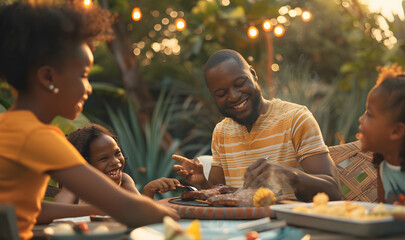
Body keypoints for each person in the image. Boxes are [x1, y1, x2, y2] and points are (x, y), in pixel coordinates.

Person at [0, 2, 178, 240]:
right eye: (83, 75)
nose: (88, 88)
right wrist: (176, 215)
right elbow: (130, 208)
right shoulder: (36, 136)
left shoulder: (11, 126)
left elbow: (31, 208)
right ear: (48, 77)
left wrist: (95, 209)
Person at [173, 49, 341, 202]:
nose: (233, 96)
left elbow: (332, 191)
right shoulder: (221, 132)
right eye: (221, 93)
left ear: (253, 74)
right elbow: (219, 193)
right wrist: (202, 181)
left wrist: (285, 174)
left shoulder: (296, 119)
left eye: (239, 84)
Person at [358, 64, 405, 207]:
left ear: (396, 131)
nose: (361, 119)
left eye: (369, 114)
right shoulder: (384, 168)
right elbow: (384, 214)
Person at [54, 124, 181, 202]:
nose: (115, 162)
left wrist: (149, 190)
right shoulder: (77, 185)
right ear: (86, 165)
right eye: (103, 158)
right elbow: (59, 211)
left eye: (117, 153)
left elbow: (139, 210)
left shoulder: (124, 181)